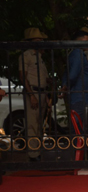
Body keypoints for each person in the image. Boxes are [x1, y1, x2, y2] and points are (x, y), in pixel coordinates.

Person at [18, 28, 51, 161]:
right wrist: (31, 95)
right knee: (32, 124)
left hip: (42, 92)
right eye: (38, 40)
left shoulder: (40, 57)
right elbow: (23, 76)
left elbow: (45, 78)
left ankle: (38, 151)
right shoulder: (26, 55)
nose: (41, 42)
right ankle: (33, 155)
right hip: (33, 91)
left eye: (41, 40)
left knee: (39, 124)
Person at [63, 30, 88, 132]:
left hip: (80, 95)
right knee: (78, 127)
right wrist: (67, 86)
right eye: (86, 41)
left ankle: (78, 146)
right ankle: (78, 147)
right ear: (78, 41)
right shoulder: (77, 53)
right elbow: (72, 75)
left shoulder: (76, 53)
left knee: (79, 126)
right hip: (80, 96)